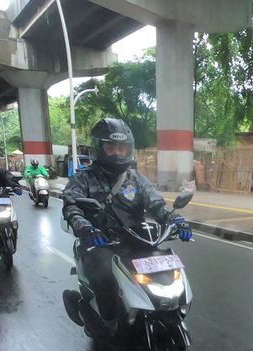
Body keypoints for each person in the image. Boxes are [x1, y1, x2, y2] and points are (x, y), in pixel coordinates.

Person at [62, 118, 192, 329]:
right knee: (103, 274)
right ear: (99, 148)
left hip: (137, 240)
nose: (118, 153)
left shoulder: (137, 179)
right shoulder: (83, 179)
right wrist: (86, 227)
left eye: (122, 148)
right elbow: (72, 207)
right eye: (111, 147)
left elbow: (157, 206)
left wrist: (177, 220)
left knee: (166, 267)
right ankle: (107, 324)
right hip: (100, 242)